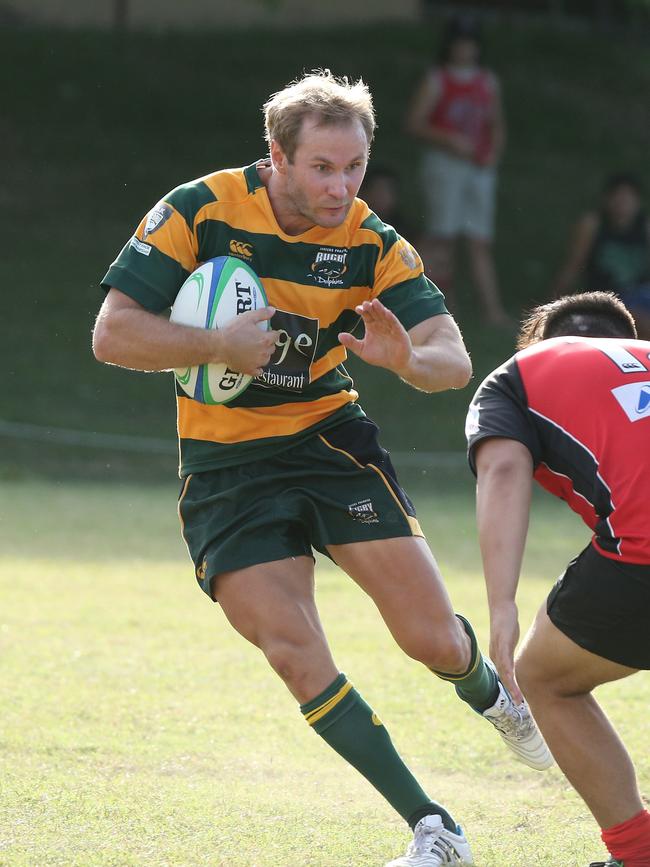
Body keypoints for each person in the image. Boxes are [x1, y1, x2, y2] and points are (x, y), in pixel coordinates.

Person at [93, 69, 550, 867]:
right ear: (276, 154)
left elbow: (452, 356)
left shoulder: (371, 240)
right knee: (294, 651)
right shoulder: (196, 211)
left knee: (430, 639)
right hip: (225, 467)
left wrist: (406, 357)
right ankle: (434, 826)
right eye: (322, 168)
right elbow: (112, 332)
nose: (341, 188)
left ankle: (493, 692)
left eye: (354, 168)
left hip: (329, 443)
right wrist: (214, 344)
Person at [466, 291, 650, 867]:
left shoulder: (517, 376)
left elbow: (501, 470)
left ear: (537, 342)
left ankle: (638, 853)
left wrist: (501, 606)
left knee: (546, 678)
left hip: (641, 552)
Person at [405, 14, 509, 326]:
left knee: (479, 240)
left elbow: (496, 123)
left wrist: (493, 152)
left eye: (470, 44)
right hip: (445, 165)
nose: (465, 49)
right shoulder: (438, 79)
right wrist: (449, 140)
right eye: (460, 43)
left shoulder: (486, 81)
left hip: (478, 167)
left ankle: (492, 310)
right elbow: (414, 123)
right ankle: (440, 306)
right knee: (442, 236)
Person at [550, 173, 650, 339]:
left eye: (628, 198)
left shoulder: (645, 227)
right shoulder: (593, 225)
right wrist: (554, 304)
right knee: (642, 321)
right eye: (618, 196)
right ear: (607, 199)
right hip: (608, 298)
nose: (622, 203)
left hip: (640, 293)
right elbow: (574, 265)